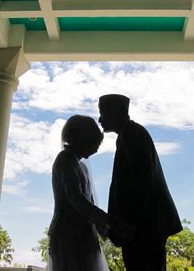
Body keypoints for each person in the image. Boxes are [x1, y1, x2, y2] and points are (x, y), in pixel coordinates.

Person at [98, 94, 183, 271]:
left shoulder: (131, 135)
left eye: (103, 113)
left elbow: (143, 182)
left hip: (144, 226)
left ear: (116, 113)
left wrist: (127, 223)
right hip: (145, 224)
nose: (100, 119)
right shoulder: (130, 134)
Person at [47, 115, 135, 271]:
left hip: (84, 234)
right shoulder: (64, 160)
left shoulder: (81, 166)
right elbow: (77, 199)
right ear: (79, 138)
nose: (97, 147)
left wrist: (106, 230)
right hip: (68, 234)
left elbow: (90, 203)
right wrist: (111, 222)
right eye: (93, 141)